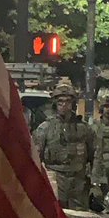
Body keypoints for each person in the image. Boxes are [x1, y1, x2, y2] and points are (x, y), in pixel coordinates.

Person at [33, 78, 95, 210]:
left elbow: (94, 155)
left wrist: (96, 182)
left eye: (68, 101)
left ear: (73, 103)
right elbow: (36, 158)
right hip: (55, 178)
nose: (64, 105)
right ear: (55, 103)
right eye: (60, 101)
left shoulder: (84, 128)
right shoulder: (45, 128)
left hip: (78, 181)